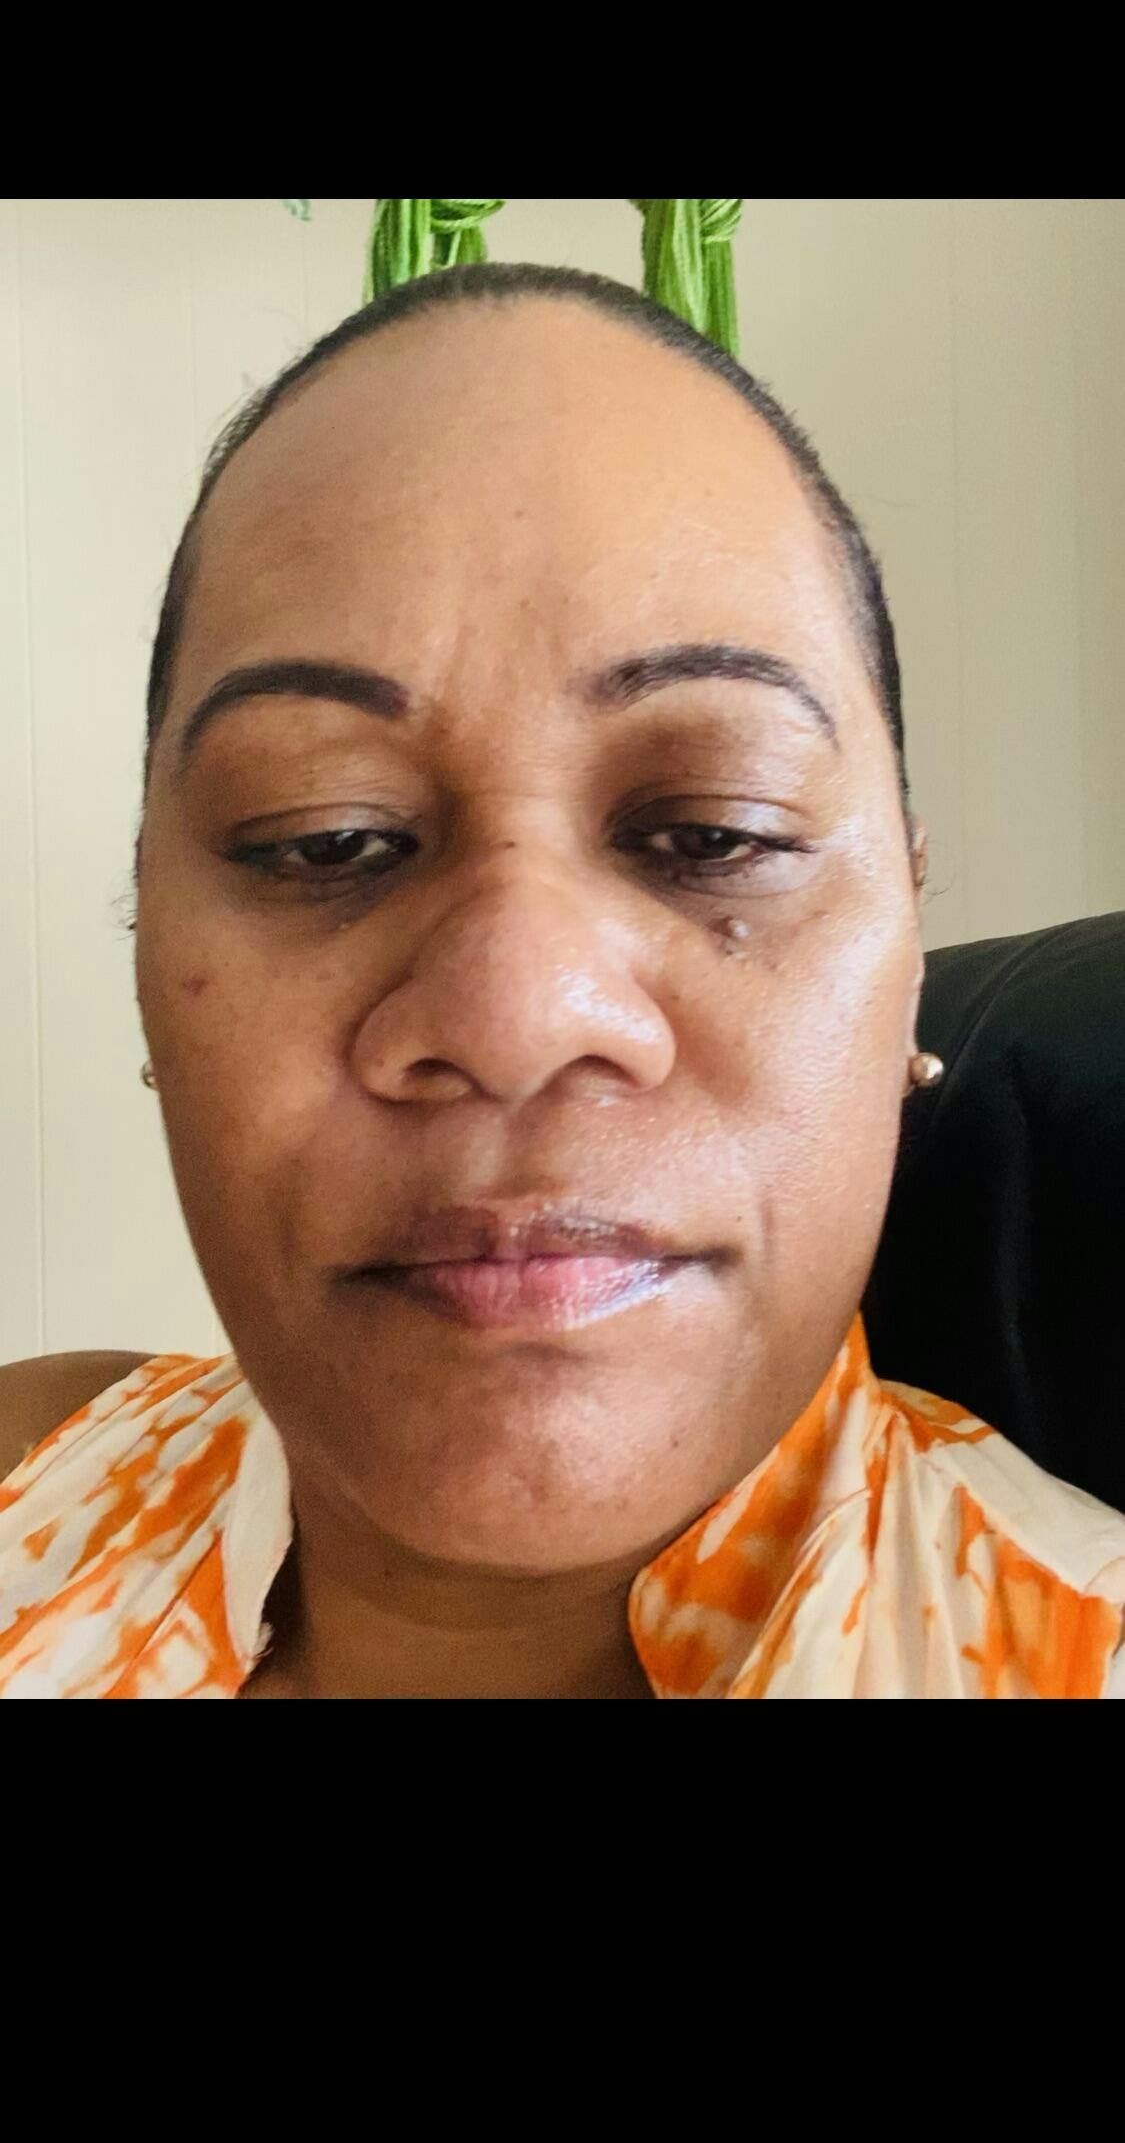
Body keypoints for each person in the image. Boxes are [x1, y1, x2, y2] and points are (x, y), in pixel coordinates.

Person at [3, 262, 1124, 1700]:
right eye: (323, 836)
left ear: (906, 956)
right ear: (146, 952)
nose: (514, 1014)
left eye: (714, 833)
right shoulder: (28, 1463)